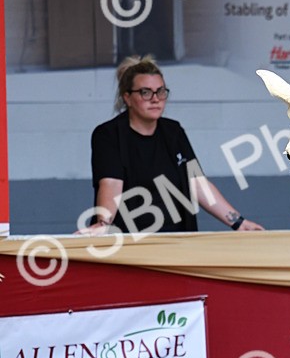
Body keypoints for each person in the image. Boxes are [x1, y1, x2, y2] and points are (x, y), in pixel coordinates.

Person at [82, 56, 263, 234]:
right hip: (129, 242)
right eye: (145, 92)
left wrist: (238, 222)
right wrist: (104, 224)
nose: (155, 99)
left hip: (177, 239)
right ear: (127, 98)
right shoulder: (108, 135)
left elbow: (198, 184)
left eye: (160, 92)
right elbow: (111, 184)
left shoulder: (173, 132)